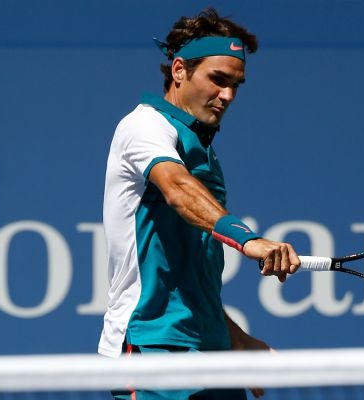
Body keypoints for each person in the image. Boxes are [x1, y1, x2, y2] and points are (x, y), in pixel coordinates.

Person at [100, 8, 300, 399]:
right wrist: (248, 240)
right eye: (218, 80)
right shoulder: (144, 125)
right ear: (179, 70)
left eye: (236, 85)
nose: (228, 95)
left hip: (212, 354)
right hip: (151, 347)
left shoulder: (205, 153)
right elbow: (177, 189)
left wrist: (238, 341)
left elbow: (188, 281)